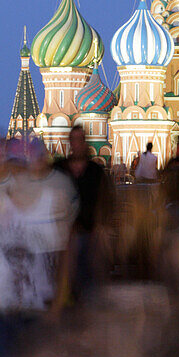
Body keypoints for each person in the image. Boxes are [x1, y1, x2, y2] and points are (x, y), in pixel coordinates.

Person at [55, 126, 113, 298]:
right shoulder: (59, 169)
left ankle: (89, 312)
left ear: (85, 142)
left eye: (81, 139)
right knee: (66, 280)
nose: (77, 143)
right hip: (64, 237)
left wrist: (101, 227)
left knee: (90, 281)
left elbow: (107, 200)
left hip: (90, 234)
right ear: (70, 142)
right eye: (74, 139)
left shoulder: (95, 171)